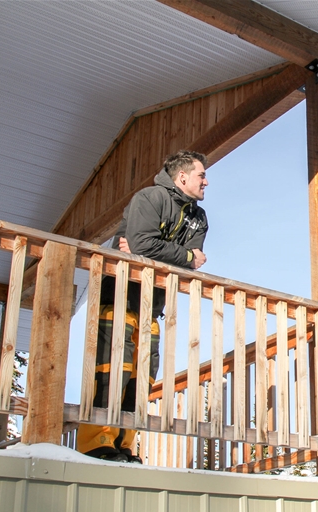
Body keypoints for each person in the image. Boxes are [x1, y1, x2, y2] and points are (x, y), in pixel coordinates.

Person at [77, 150, 209, 462]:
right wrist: (180, 254)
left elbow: (192, 258)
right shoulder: (149, 199)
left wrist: (166, 253)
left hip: (153, 304)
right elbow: (145, 245)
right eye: (202, 175)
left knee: (142, 375)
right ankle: (96, 441)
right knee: (112, 367)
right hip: (119, 297)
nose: (207, 181)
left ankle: (124, 443)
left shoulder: (198, 217)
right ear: (182, 177)